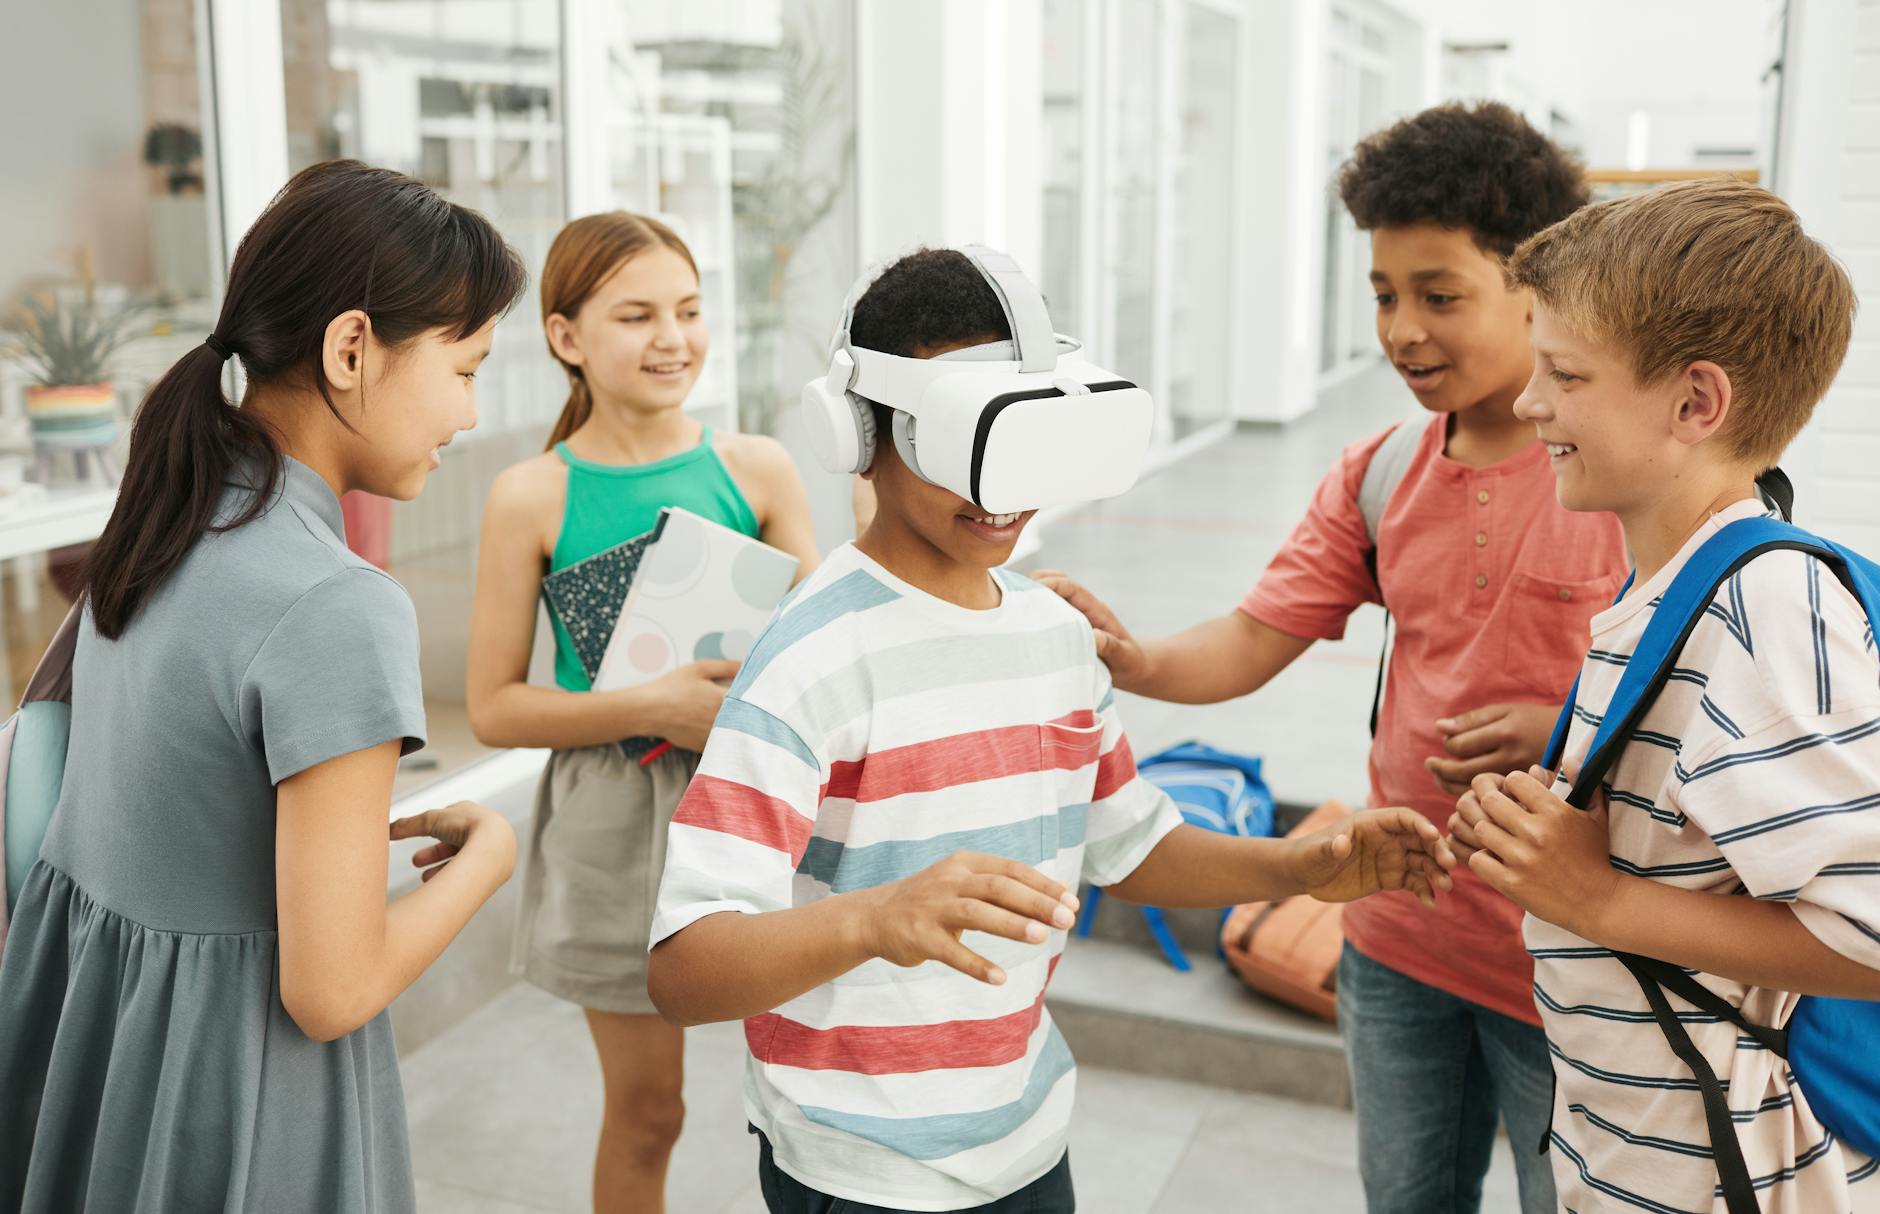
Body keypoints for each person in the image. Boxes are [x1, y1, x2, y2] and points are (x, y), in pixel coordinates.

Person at [645, 247, 1457, 1214]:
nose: (1003, 485)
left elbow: (1128, 843)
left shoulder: (1057, 631)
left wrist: (1297, 867)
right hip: (857, 1168)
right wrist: (870, 917)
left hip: (1026, 1137)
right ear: (862, 428)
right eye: (962, 440)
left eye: (1026, 437)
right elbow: (684, 969)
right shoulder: (810, 659)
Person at [1036, 101, 1628, 1213]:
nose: (1400, 328)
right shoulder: (1377, 469)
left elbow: (1713, 703)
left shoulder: (1621, 475)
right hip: (1399, 939)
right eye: (1382, 293)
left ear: (1537, 284)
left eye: (1437, 294)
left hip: (1580, 965)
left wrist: (1563, 725)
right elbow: (1253, 639)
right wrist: (1128, 655)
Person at [0, 159, 525, 1213]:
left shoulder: (165, 517)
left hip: (91, 1060)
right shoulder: (336, 602)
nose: (468, 414)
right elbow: (330, 989)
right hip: (234, 1097)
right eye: (464, 370)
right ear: (349, 349)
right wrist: (491, 859)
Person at [1452, 177, 1879, 1212]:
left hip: (1726, 1170)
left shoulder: (1760, 608)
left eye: (1562, 372)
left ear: (1694, 403)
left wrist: (1594, 896)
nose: (1526, 401)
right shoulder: (1674, 588)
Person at [465, 211, 819, 1214]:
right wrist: (650, 701)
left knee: (804, 1079)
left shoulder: (757, 469)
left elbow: (821, 645)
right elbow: (492, 706)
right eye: (636, 315)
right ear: (567, 336)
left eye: (689, 309)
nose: (673, 336)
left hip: (754, 795)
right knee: (649, 1109)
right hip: (612, 818)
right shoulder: (529, 494)